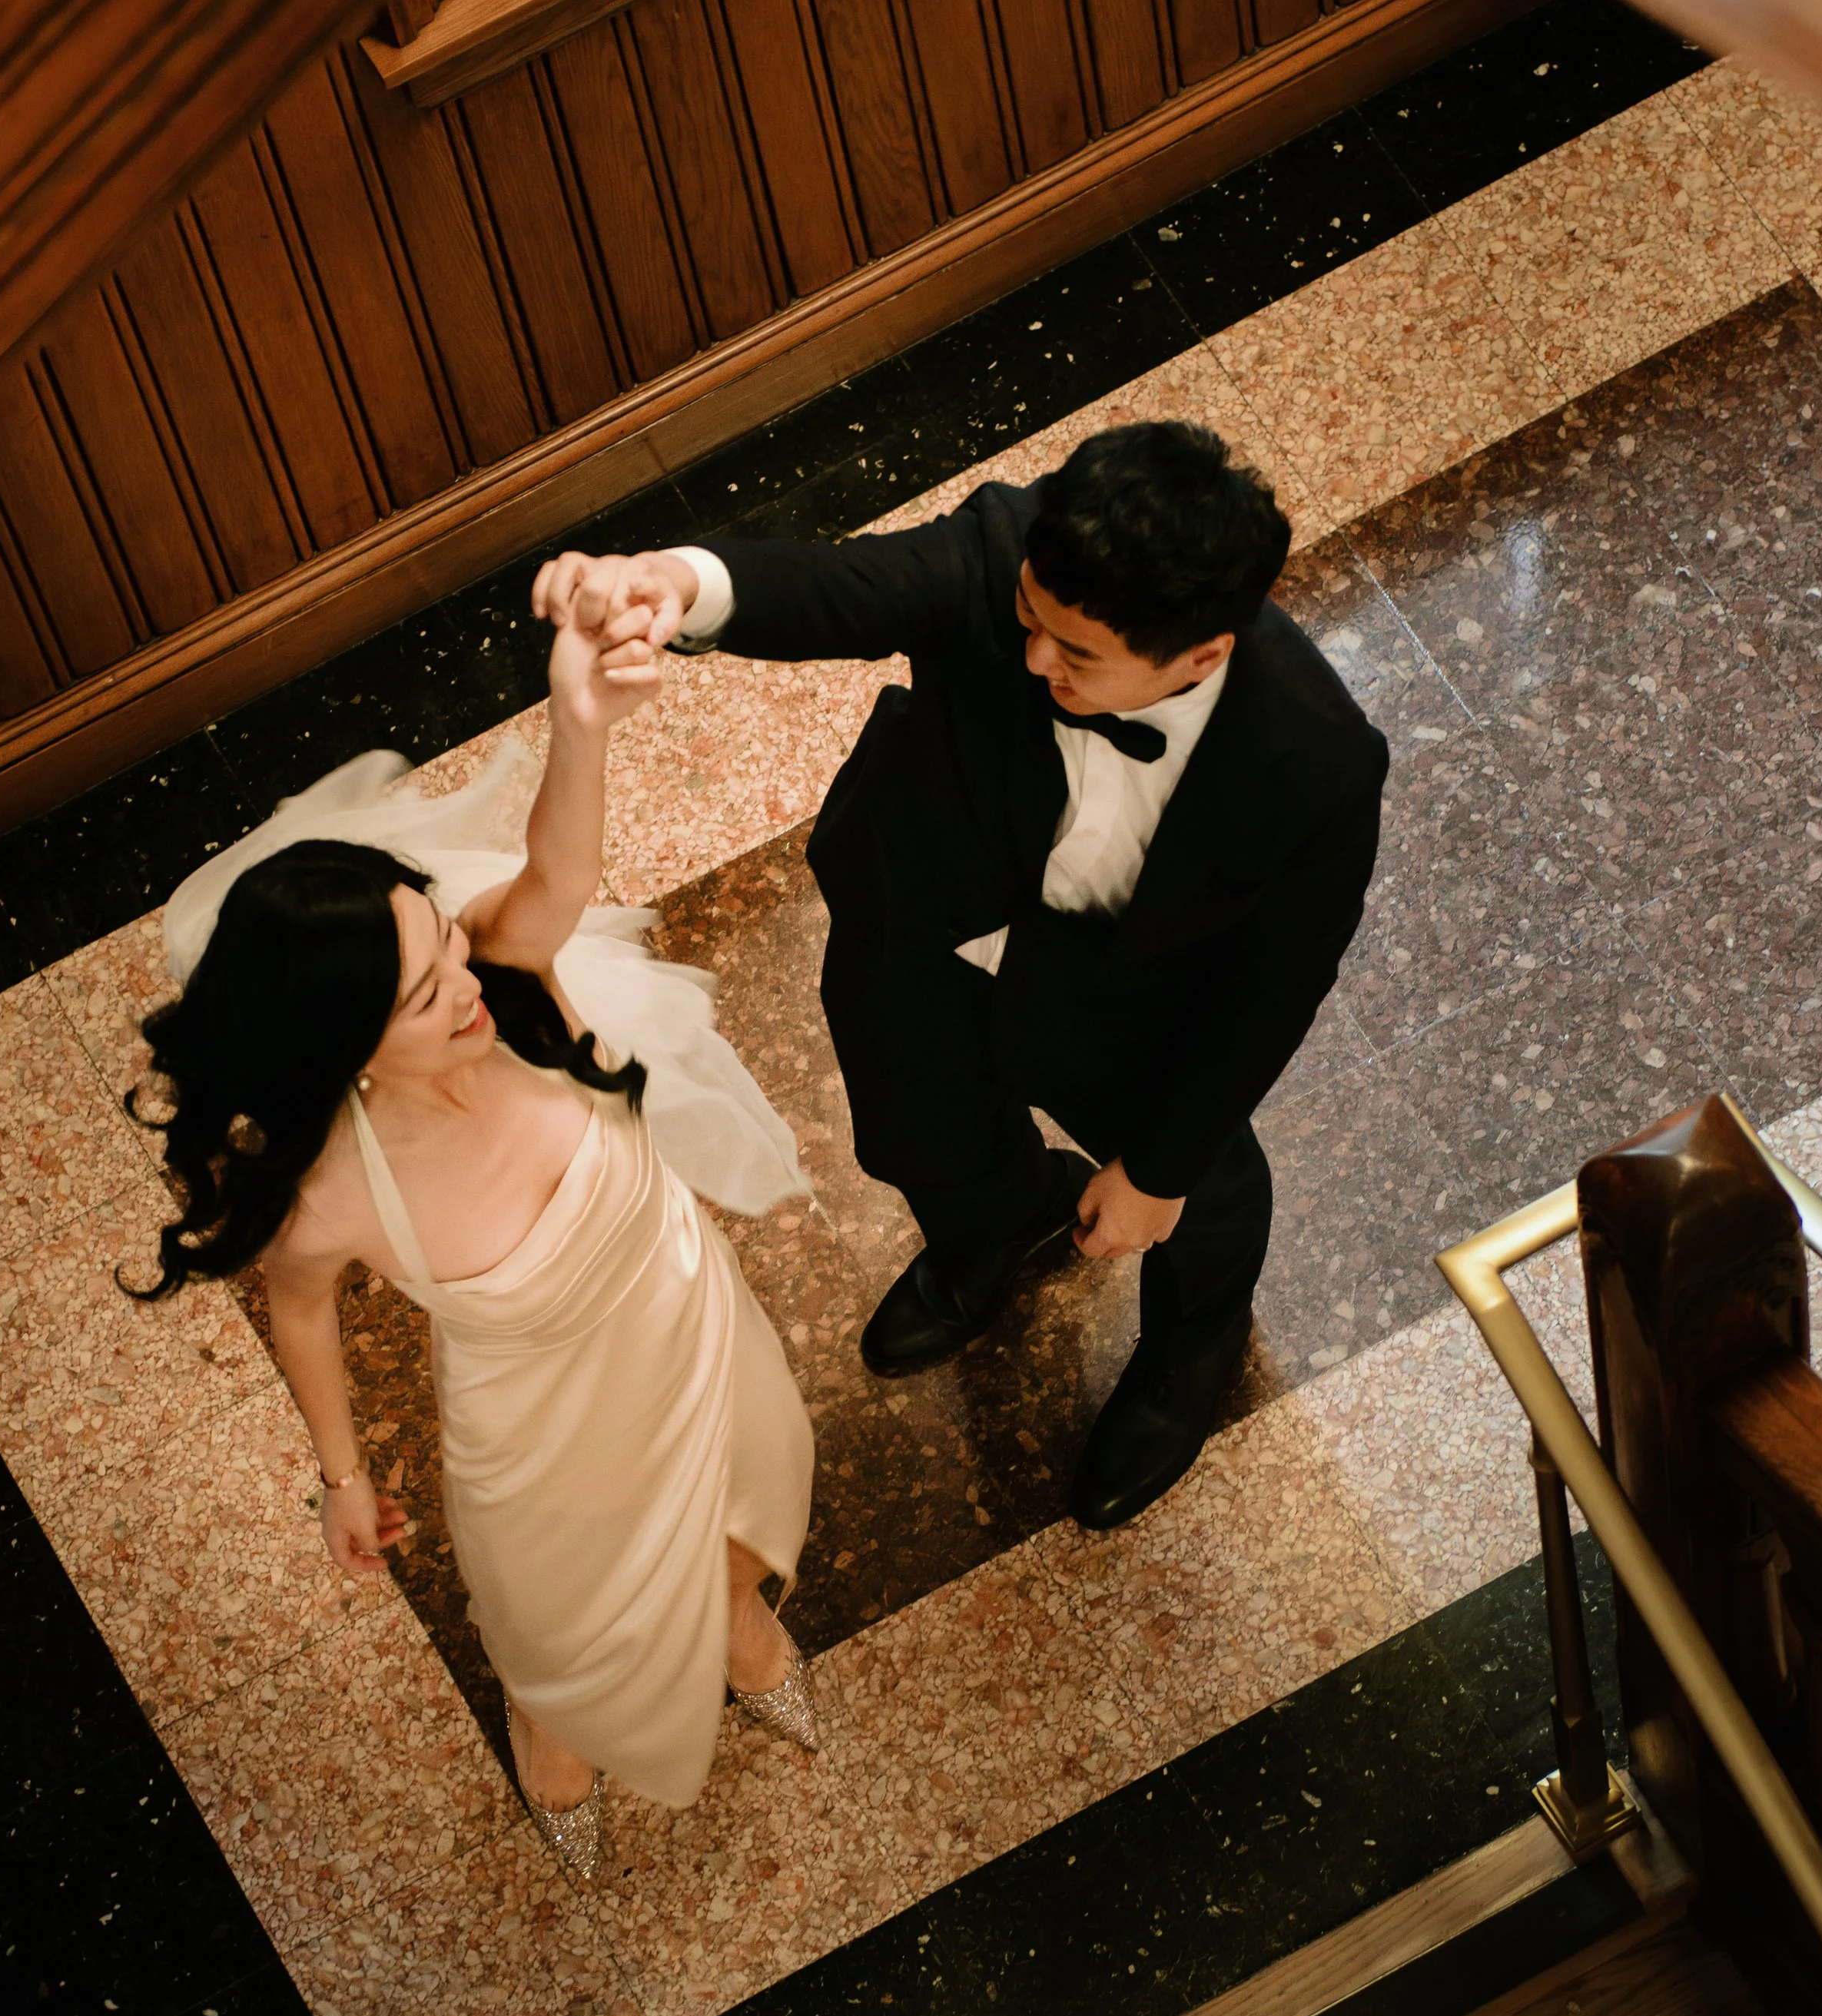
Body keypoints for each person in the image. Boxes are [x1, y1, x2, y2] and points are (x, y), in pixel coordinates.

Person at [531, 418, 1388, 1532]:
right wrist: (674, 585)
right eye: (1030, 624)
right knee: (915, 1129)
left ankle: (1195, 1349)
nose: (1033, 659)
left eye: (1076, 655)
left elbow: (1277, 984)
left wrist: (1156, 1172)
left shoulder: (1316, 759)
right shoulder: (1009, 555)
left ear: (1202, 654)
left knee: (1200, 1193)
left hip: (1132, 996)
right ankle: (994, 1234)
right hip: (928, 912)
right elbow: (846, 586)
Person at [125, 616, 818, 1882]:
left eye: (441, 939)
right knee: (557, 1610)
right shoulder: (327, 1190)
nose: (466, 982)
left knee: (729, 1504)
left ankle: (729, 1612)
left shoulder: (499, 970)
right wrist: (343, 1475)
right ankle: (547, 1714)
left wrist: (580, 721)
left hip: (681, 1318)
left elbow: (557, 868)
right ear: (342, 1048)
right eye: (422, 989)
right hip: (536, 1425)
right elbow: (302, 1313)